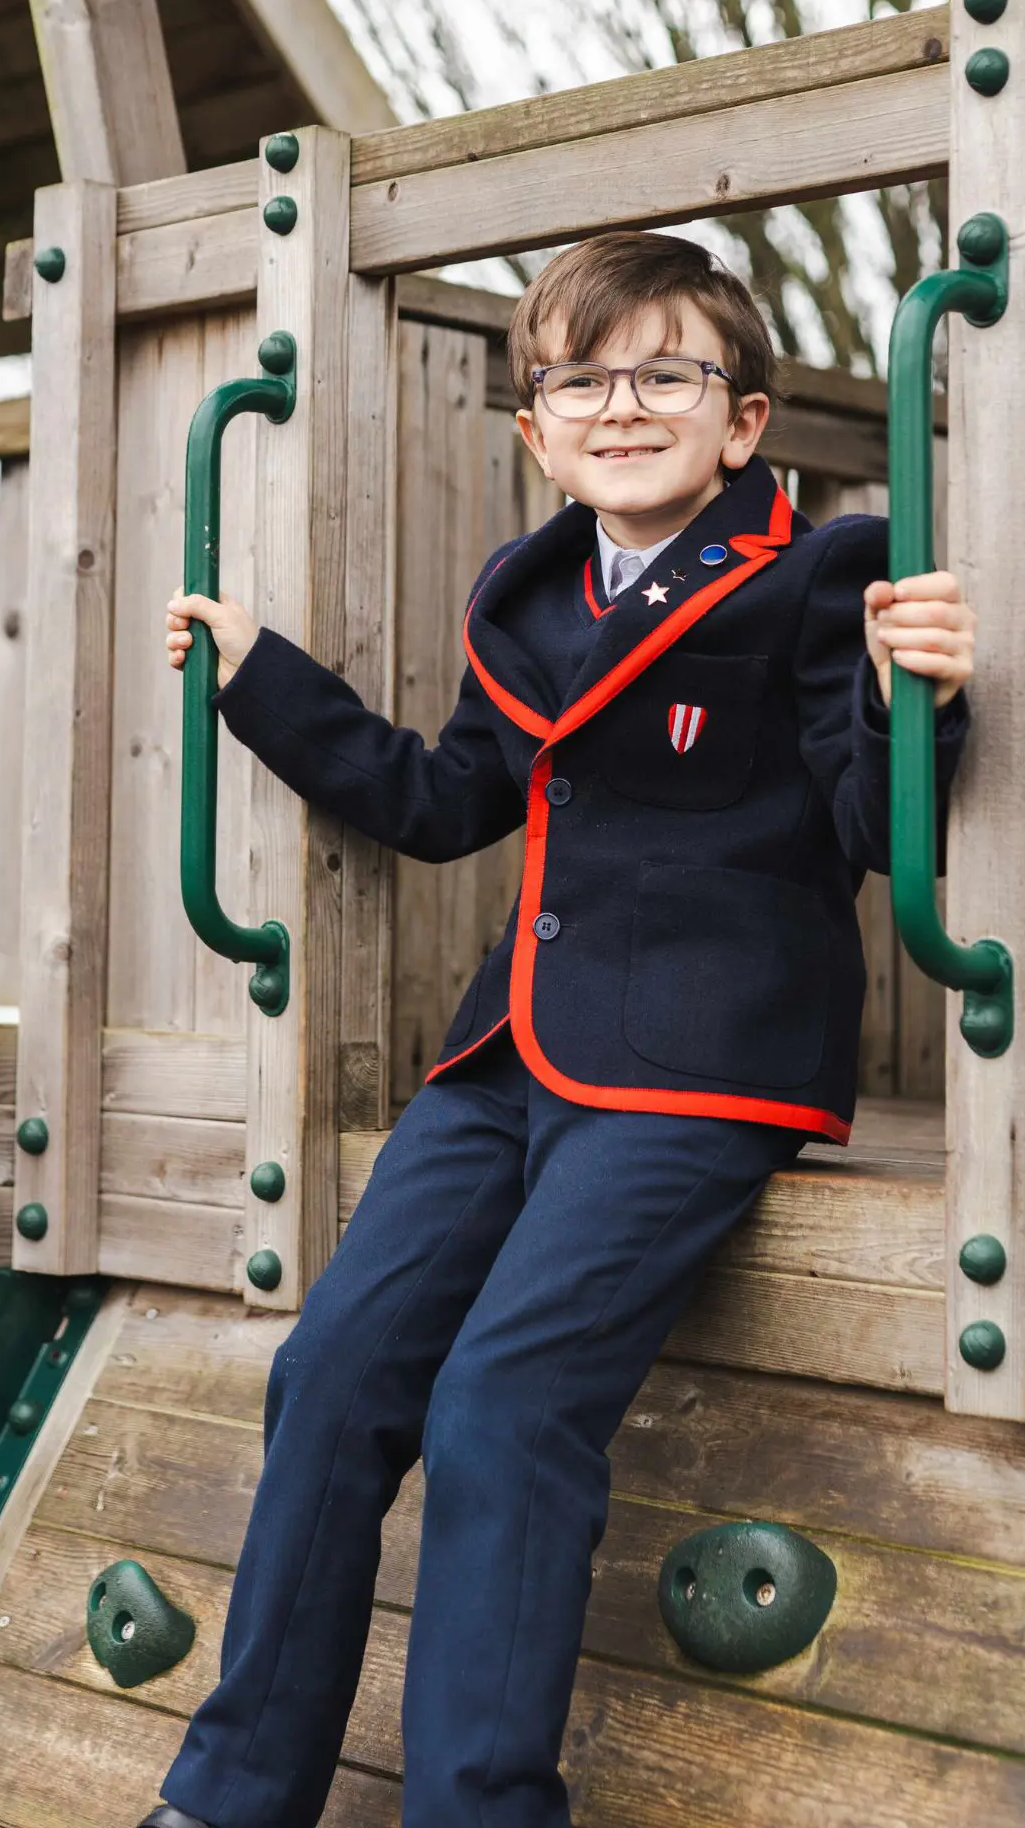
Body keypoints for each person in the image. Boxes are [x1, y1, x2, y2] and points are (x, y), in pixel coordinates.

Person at [147, 231, 975, 1828]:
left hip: (701, 1061)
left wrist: (905, 693)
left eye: (668, 373)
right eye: (580, 381)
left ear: (742, 421)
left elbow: (874, 827)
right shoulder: (531, 598)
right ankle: (230, 1795)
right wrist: (262, 680)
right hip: (508, 1057)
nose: (620, 404)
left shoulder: (827, 569)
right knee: (329, 1371)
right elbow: (452, 799)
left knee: (503, 1402)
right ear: (536, 431)